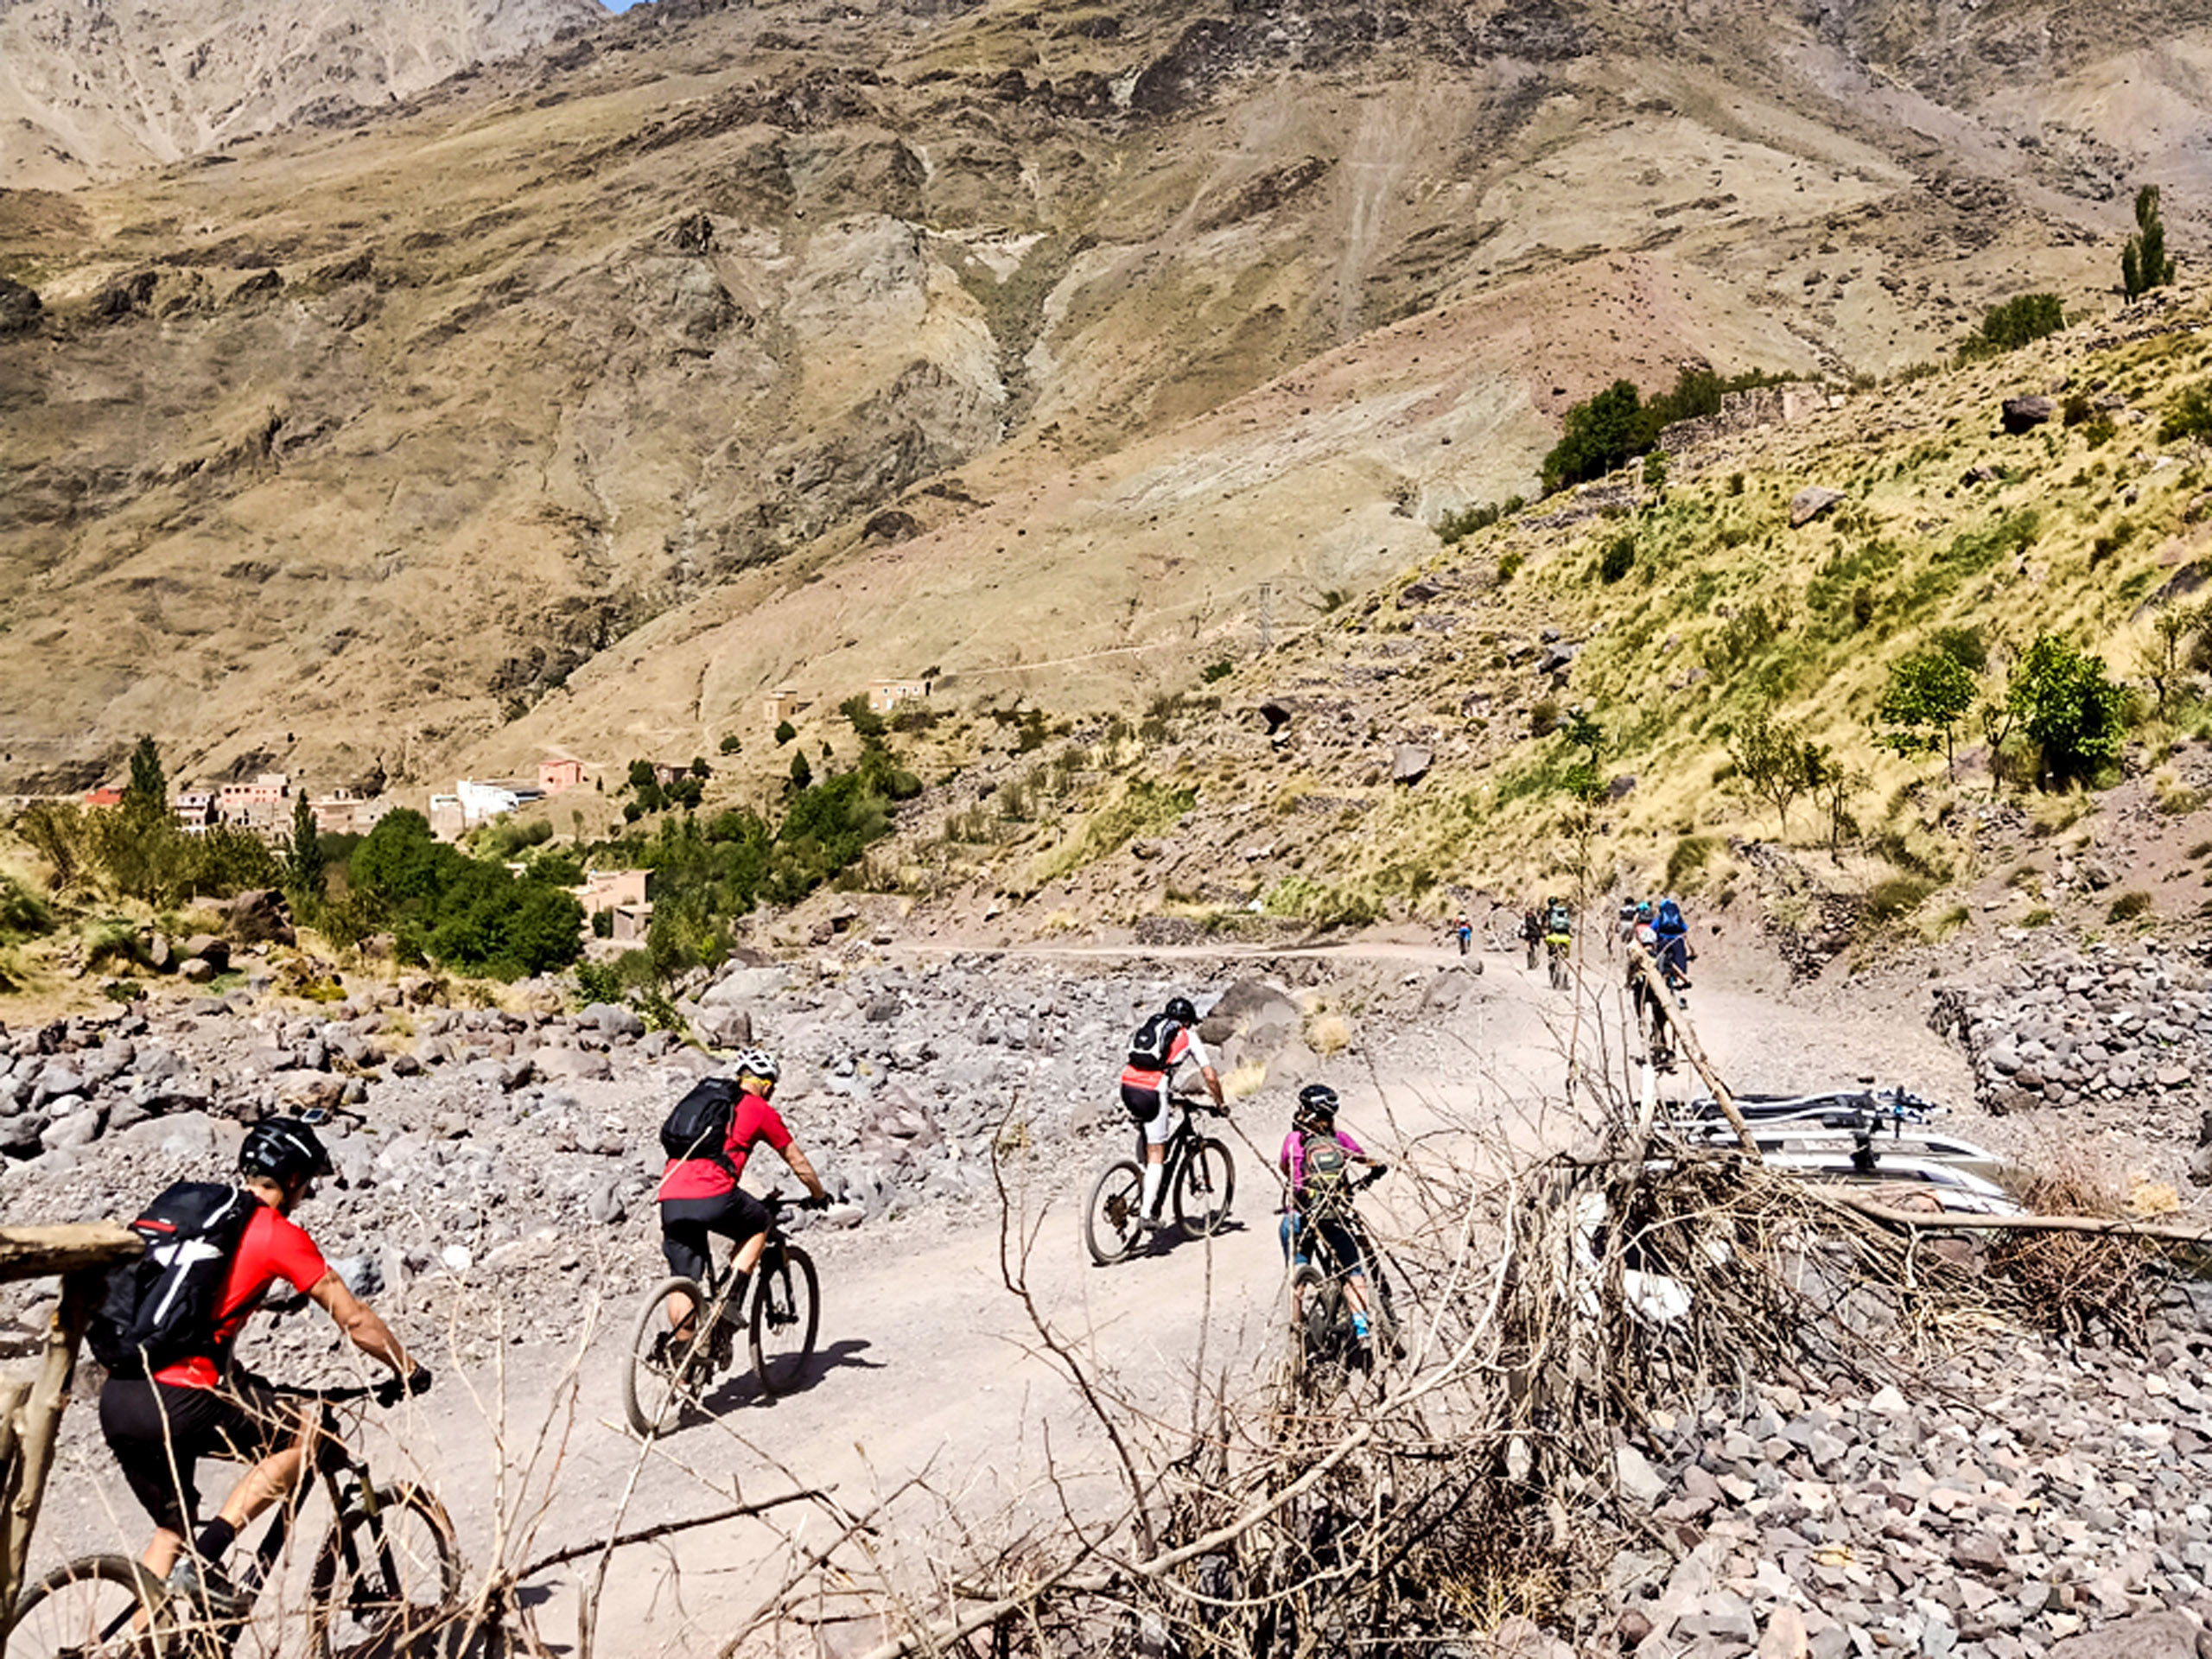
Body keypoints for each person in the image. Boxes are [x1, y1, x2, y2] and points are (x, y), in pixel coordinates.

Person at [98, 1117, 426, 1620]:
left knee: (171, 1530)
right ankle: (208, 1561)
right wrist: (407, 1368)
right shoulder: (275, 1233)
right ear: (294, 1180)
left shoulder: (196, 1221)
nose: (306, 1193)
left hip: (120, 1397)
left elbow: (192, 1326)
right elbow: (355, 1319)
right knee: (310, 1433)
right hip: (178, 1399)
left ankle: (141, 1646)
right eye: (308, 1182)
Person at [656, 1048, 829, 1350]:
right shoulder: (759, 1108)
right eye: (772, 1088)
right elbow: (796, 1160)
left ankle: (683, 1371)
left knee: (684, 1281)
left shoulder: (709, 1103)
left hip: (670, 1194)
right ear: (766, 1084)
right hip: (713, 1193)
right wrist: (818, 1194)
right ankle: (729, 1303)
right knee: (759, 1223)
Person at [1278, 1084, 1385, 1339]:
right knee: (1353, 1271)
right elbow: (1363, 1158)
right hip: (1332, 1217)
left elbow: (1285, 1169)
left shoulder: (1293, 1141)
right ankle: (1361, 1328)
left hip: (1299, 1215)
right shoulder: (1341, 1140)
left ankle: (1296, 1330)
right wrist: (1378, 1168)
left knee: (1297, 1272)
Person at [1119, 995, 1227, 1230]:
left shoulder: (1150, 1027)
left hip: (1127, 1085)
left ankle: (1144, 1179)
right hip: (1152, 1091)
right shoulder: (1188, 1036)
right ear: (1187, 1021)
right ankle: (1147, 1214)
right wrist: (1220, 1103)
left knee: (1148, 1139)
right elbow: (1209, 1075)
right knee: (1158, 1153)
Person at [1654, 895, 1694, 986]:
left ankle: (1662, 976)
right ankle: (1681, 979)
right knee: (1680, 958)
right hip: (1677, 941)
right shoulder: (1678, 919)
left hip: (1663, 941)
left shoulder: (1659, 919)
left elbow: (1652, 929)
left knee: (1660, 958)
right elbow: (1685, 930)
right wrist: (1692, 950)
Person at [1520, 905, 1543, 970]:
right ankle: (1534, 962)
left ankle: (1530, 964)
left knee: (1529, 950)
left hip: (1529, 935)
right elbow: (1539, 925)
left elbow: (1522, 926)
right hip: (1536, 935)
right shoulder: (1536, 918)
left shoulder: (1525, 918)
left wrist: (1521, 933)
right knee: (1535, 949)